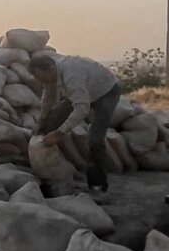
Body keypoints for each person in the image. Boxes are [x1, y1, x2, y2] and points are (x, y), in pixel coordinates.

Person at [29, 51, 121, 191]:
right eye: (41, 81)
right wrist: (42, 120)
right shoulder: (50, 73)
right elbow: (48, 95)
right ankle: (49, 166)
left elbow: (82, 108)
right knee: (54, 117)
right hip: (86, 89)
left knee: (95, 138)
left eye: (45, 79)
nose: (45, 83)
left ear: (51, 68)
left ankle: (98, 184)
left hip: (106, 92)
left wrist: (59, 133)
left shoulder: (72, 75)